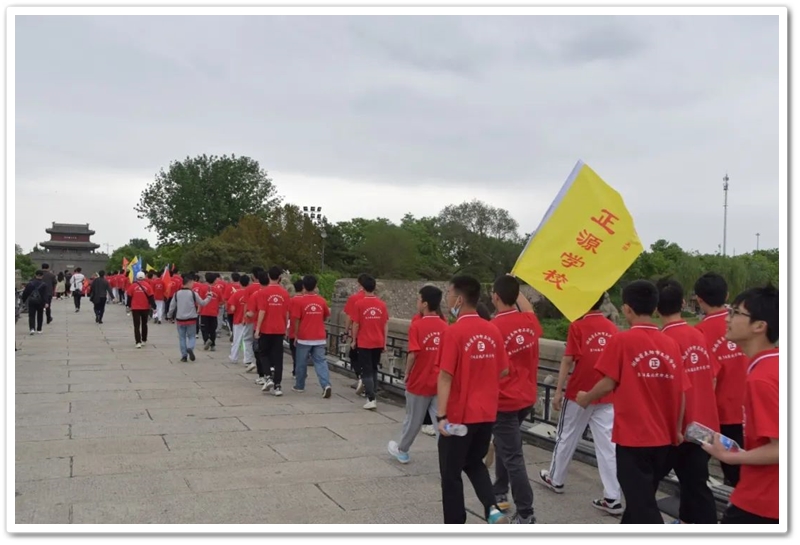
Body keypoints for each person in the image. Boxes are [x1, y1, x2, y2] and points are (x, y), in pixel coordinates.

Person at [576, 280, 689, 524]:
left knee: (643, 507)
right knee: (640, 500)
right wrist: (678, 429)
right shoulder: (670, 344)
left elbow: (608, 382)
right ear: (655, 307)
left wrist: (586, 397)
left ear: (627, 309)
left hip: (633, 438)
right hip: (664, 439)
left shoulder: (622, 341)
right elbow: (681, 392)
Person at [702, 284, 779, 524]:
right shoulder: (775, 365)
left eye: (735, 313)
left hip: (763, 500)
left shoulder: (762, 379)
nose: (727, 318)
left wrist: (730, 457)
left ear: (759, 326)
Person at [436, 275, 510, 524]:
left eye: (449, 294)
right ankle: (492, 509)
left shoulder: (453, 332)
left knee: (450, 473)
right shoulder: (492, 330)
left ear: (459, 299)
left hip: (459, 415)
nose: (447, 299)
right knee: (473, 462)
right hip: (486, 412)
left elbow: (445, 376)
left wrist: (441, 415)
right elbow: (503, 370)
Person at [541, 293, 622, 516]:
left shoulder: (577, 326)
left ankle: (556, 478)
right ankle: (613, 496)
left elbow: (567, 360)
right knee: (607, 445)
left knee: (566, 436)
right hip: (605, 393)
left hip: (579, 393)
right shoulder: (612, 328)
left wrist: (558, 391)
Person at [655, 278, 719, 524]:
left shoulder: (663, 341)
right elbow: (712, 376)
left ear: (656, 307)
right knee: (695, 483)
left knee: (645, 483)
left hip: (678, 427)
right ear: (682, 302)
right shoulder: (698, 334)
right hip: (705, 421)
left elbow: (664, 389)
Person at [488, 275, 542, 524]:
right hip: (527, 396)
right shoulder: (529, 321)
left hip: (504, 400)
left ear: (495, 297)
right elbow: (528, 308)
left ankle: (526, 512)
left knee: (513, 455)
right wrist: (513, 284)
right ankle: (500, 491)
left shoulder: (493, 328)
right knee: (505, 445)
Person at [693, 272, 748, 487]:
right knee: (746, 473)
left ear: (699, 299)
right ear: (727, 295)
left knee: (723, 470)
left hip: (719, 414)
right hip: (750, 409)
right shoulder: (745, 323)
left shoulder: (700, 332)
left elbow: (708, 378)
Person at [388, 285, 447, 464]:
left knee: (413, 420)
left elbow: (413, 353)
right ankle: (447, 456)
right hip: (440, 381)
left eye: (418, 299)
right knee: (440, 421)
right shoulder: (445, 326)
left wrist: (407, 373)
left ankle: (403, 450)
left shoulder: (417, 325)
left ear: (425, 304)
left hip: (420, 380)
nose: (417, 302)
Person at [351, 276, 389, 410]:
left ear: (363, 288)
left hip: (364, 341)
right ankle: (373, 394)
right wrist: (385, 342)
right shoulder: (382, 304)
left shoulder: (359, 304)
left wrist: (353, 340)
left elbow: (356, 324)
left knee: (366, 370)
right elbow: (385, 324)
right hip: (378, 341)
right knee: (374, 368)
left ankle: (371, 397)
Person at [292, 275, 333, 397]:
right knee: (321, 362)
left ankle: (300, 385)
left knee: (301, 362)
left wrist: (296, 334)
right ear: (315, 286)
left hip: (304, 337)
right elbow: (326, 316)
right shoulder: (322, 301)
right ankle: (326, 384)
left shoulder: (299, 301)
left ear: (303, 286)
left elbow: (296, 320)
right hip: (319, 336)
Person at [254, 266, 291, 396]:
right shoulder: (285, 293)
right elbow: (287, 313)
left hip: (266, 328)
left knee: (263, 354)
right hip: (279, 329)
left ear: (269, 276)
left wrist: (258, 329)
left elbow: (262, 311)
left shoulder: (263, 292)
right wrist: (286, 328)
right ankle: (278, 386)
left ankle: (268, 376)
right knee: (278, 357)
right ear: (280, 277)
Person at [168, 273, 213, 362]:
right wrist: (209, 297)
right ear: (189, 283)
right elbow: (202, 303)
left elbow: (172, 306)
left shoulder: (177, 294)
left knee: (182, 338)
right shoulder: (193, 294)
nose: (193, 285)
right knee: (192, 336)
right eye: (192, 283)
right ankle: (190, 348)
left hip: (180, 319)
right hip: (191, 319)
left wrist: (169, 316)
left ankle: (184, 356)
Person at [344, 274, 370, 394]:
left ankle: (362, 379)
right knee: (370, 361)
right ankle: (370, 383)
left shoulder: (354, 298)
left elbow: (350, 317)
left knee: (354, 356)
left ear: (359, 284)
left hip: (359, 334)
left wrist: (346, 331)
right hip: (374, 335)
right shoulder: (376, 299)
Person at [228, 274, 255, 368]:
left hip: (238, 320)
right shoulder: (251, 293)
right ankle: (247, 358)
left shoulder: (236, 294)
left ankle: (234, 357)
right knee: (248, 340)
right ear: (249, 283)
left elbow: (232, 308)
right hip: (249, 319)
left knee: (237, 339)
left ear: (239, 283)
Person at [126, 271, 155, 348]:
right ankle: (144, 340)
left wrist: (128, 306)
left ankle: (138, 342)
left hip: (135, 308)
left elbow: (129, 297)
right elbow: (151, 297)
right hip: (145, 308)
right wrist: (154, 306)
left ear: (137, 277)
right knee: (144, 324)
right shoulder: (148, 286)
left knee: (136, 325)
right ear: (144, 277)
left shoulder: (133, 286)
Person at [198, 273, 221, 351]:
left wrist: (198, 309)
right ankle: (213, 345)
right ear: (214, 280)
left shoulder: (202, 288)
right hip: (214, 312)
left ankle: (206, 340)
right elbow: (221, 301)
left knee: (204, 328)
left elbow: (199, 299)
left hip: (204, 312)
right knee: (212, 329)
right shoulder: (218, 290)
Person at [21, 270, 48, 335]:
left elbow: (25, 293)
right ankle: (39, 329)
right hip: (40, 302)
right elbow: (45, 294)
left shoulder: (30, 284)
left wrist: (23, 300)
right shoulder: (44, 284)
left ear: (35, 275)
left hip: (31, 301)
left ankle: (32, 329)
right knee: (40, 315)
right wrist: (46, 302)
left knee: (31, 315)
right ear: (42, 276)